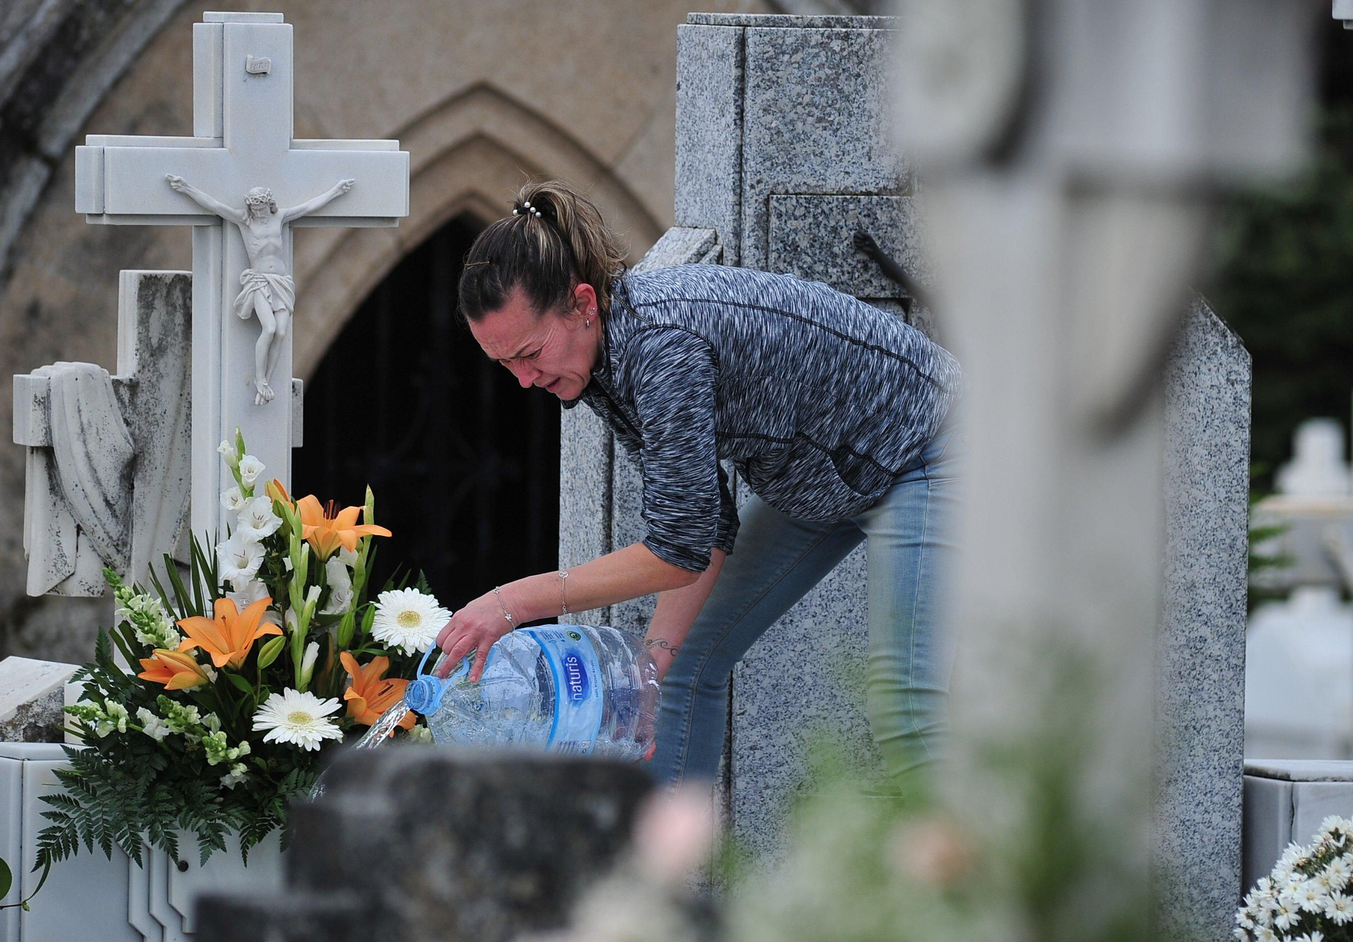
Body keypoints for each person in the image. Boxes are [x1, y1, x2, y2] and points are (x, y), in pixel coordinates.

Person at [434, 179, 962, 794]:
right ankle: (659, 887)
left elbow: (675, 549)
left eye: (530, 353)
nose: (524, 380)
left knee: (906, 711)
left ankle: (983, 888)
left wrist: (514, 601)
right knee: (674, 675)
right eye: (505, 365)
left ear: (583, 303)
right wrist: (654, 661)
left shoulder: (661, 347)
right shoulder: (603, 359)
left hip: (926, 445)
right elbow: (704, 531)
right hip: (824, 478)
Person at [164, 175, 355, 404]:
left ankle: (266, 382)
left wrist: (336, 191)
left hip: (281, 282)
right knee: (270, 327)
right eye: (255, 208)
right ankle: (260, 379)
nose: (259, 212)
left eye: (262, 207)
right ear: (250, 207)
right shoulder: (245, 222)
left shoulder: (280, 217)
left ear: (269, 204)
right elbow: (215, 205)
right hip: (259, 282)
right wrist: (186, 188)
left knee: (281, 332)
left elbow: (309, 206)